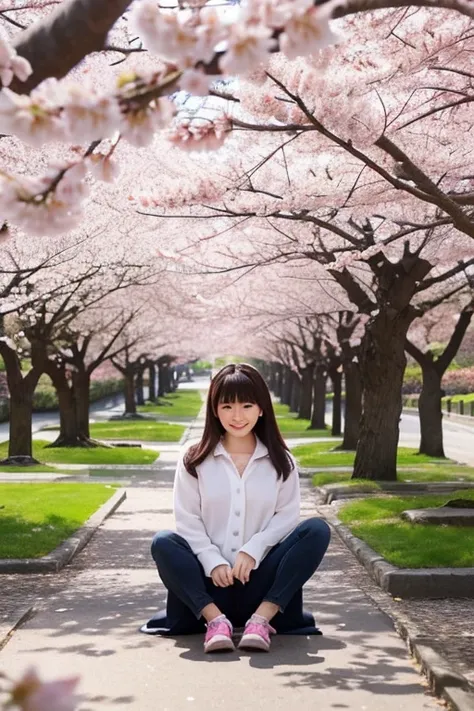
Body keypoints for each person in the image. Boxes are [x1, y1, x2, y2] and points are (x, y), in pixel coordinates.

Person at [144, 363, 331, 653]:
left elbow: (287, 516)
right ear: (215, 410)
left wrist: (253, 549)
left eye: (247, 405)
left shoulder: (281, 461)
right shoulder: (194, 459)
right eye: (227, 406)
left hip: (260, 585)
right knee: (164, 541)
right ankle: (215, 622)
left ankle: (261, 621)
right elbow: (187, 518)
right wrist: (212, 560)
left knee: (316, 530)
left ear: (261, 409)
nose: (238, 416)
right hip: (209, 585)